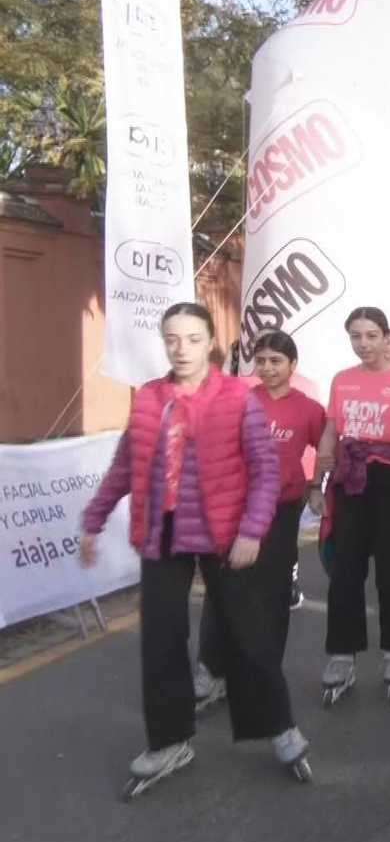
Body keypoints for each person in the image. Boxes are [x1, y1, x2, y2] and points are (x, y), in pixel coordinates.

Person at [80, 303, 309, 794]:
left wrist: (252, 531)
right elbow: (126, 466)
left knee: (249, 633)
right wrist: (92, 520)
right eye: (171, 339)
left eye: (192, 338)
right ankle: (169, 741)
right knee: (160, 638)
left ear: (211, 343)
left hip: (224, 532)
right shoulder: (148, 398)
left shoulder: (236, 398)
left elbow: (266, 471)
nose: (181, 349)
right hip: (162, 534)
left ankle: (280, 726)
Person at [193, 331, 328, 713]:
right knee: (223, 593)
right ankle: (211, 670)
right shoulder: (239, 400)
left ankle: (261, 674)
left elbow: (327, 446)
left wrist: (317, 486)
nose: (267, 368)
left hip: (282, 513)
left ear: (292, 365)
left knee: (271, 597)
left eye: (276, 361)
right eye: (262, 361)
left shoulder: (308, 409)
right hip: (234, 511)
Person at [312, 307, 390, 706]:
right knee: (345, 571)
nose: (363, 344)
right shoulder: (342, 380)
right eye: (355, 336)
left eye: (370, 335)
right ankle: (341, 656)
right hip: (350, 479)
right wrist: (318, 480)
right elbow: (330, 431)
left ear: (387, 338)